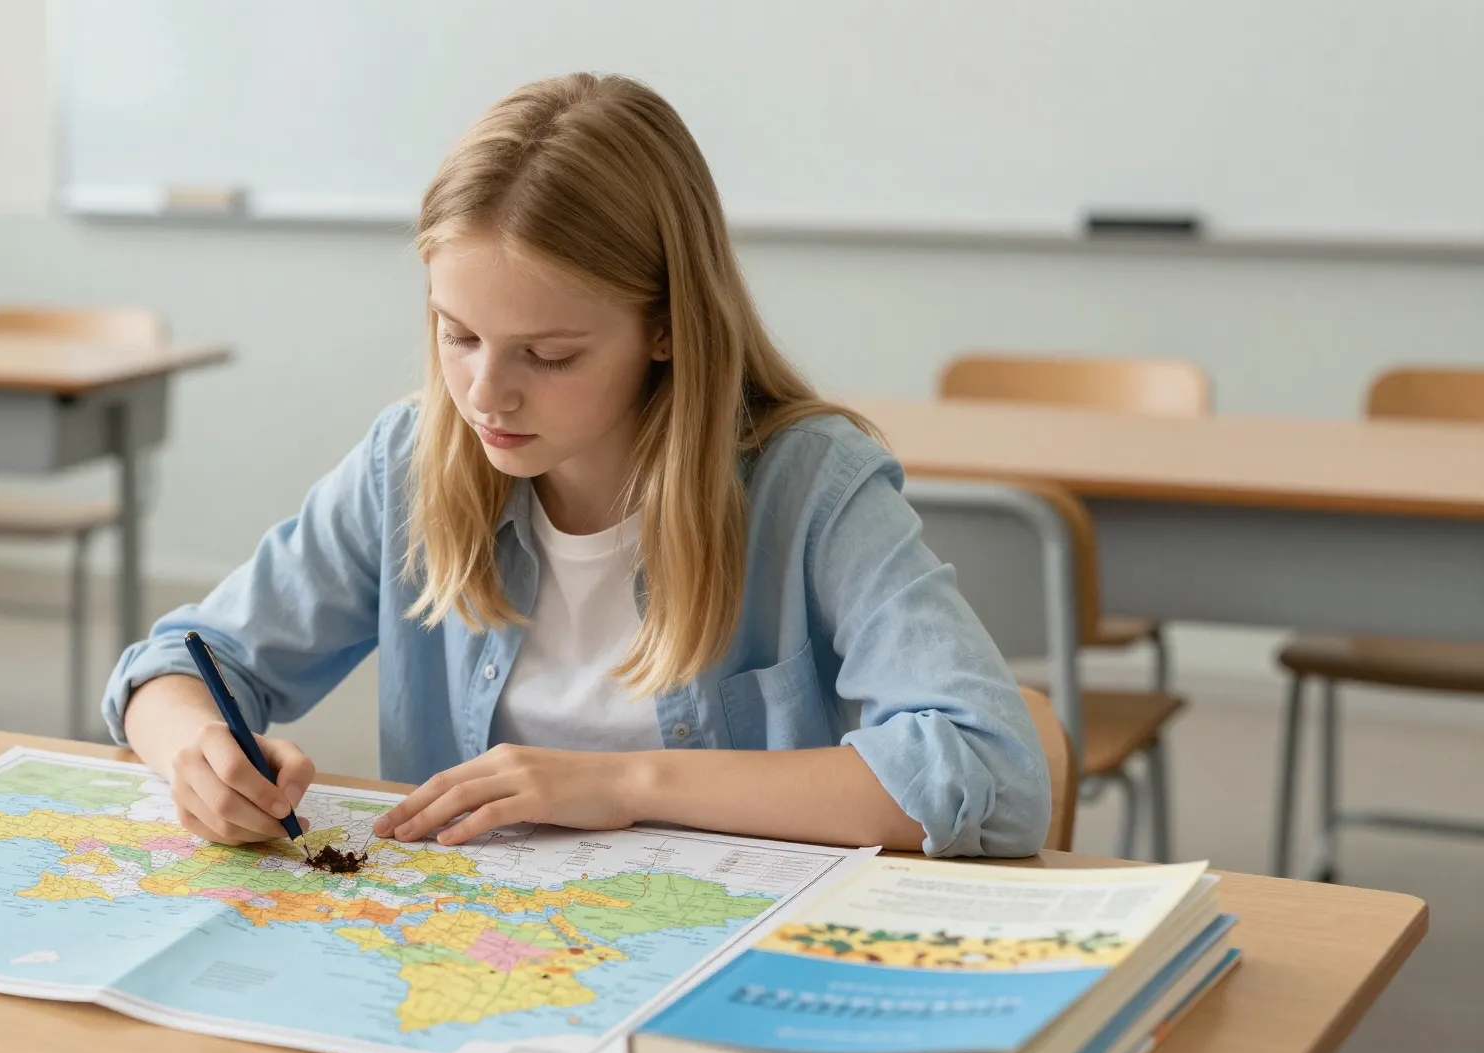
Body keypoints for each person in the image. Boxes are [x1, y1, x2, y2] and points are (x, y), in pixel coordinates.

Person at [106, 73, 1048, 857]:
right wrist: (199, 751)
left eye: (548, 355)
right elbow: (176, 666)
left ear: (669, 327)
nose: (484, 394)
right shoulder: (411, 463)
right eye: (457, 334)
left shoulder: (812, 486)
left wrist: (622, 782)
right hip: (484, 968)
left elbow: (993, 770)